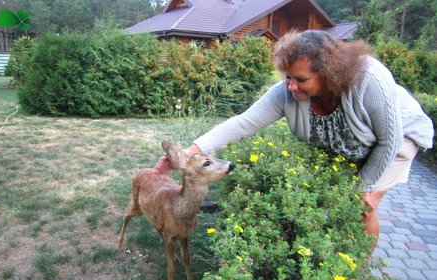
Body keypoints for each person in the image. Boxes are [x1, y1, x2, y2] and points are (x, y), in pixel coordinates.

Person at [155, 30, 434, 247]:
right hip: (357, 147)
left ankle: (357, 272)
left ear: (328, 74)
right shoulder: (287, 93)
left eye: (300, 79)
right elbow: (243, 123)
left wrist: (363, 188)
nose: (291, 86)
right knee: (340, 203)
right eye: (287, 76)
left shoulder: (369, 81)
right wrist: (189, 153)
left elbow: (390, 140)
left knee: (362, 209)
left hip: (398, 141)